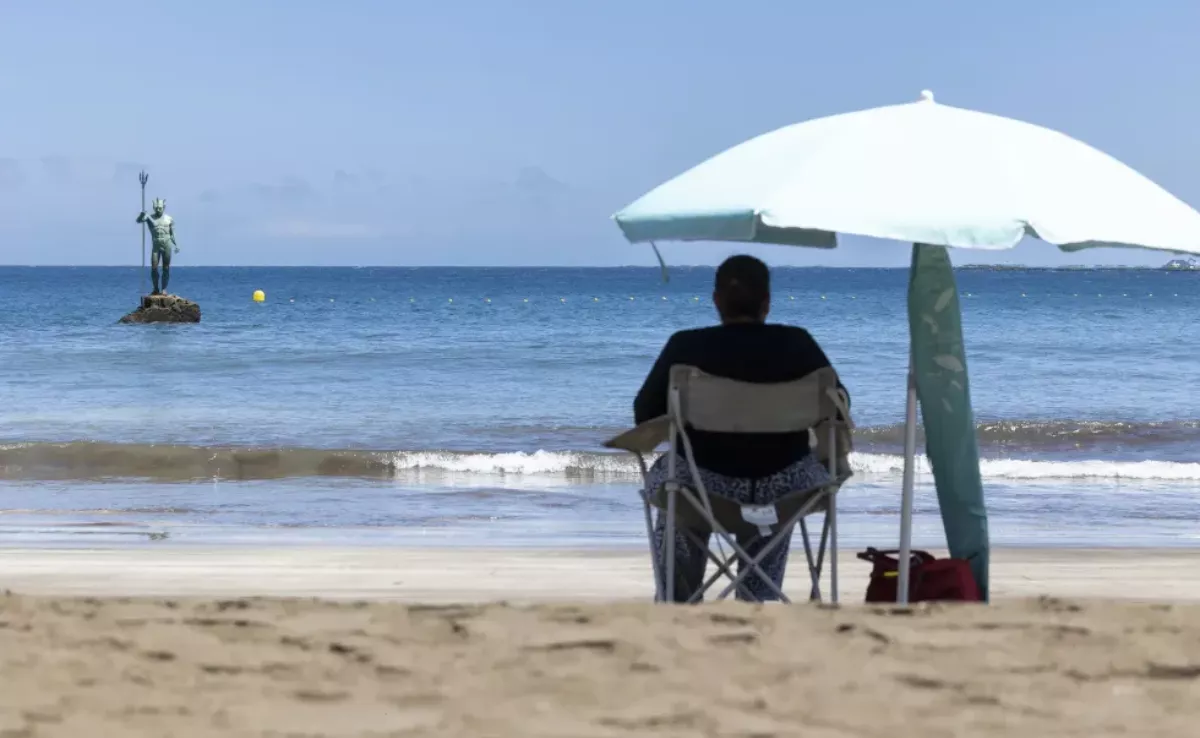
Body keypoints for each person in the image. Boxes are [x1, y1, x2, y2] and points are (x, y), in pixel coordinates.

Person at [634, 254, 849, 602]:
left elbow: (644, 415)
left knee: (676, 483)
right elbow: (840, 410)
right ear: (767, 303)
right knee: (780, 488)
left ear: (716, 300)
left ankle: (678, 601)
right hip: (783, 493)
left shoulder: (685, 347)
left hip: (701, 494)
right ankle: (756, 597)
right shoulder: (799, 344)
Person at [136, 198, 179, 295]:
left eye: (160, 208)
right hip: (156, 244)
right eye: (156, 208)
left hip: (167, 243)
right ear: (154, 208)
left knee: (166, 268)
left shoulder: (169, 219)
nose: (158, 210)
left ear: (163, 207)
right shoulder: (150, 218)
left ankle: (164, 289)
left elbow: (172, 234)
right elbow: (138, 221)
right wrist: (141, 215)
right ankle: (155, 288)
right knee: (154, 268)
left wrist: (176, 245)